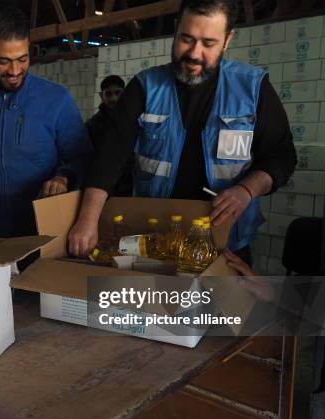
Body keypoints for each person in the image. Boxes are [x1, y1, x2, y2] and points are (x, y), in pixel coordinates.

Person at [68, 0, 297, 264]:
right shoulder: (145, 87)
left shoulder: (253, 89)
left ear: (227, 40)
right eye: (186, 39)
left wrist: (246, 190)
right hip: (155, 240)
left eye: (208, 44)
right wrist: (87, 220)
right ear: (176, 29)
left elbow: (281, 155)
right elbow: (110, 157)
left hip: (227, 244)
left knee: (224, 306)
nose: (194, 54)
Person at [0, 7, 93, 238]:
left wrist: (64, 177)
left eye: (23, 59)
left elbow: (82, 155)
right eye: (3, 61)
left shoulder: (56, 98)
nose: (14, 71)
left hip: (46, 228)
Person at [86, 75, 132, 197]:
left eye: (118, 92)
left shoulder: (135, 120)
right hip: (104, 187)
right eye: (108, 94)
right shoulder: (92, 125)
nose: (113, 98)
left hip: (132, 184)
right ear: (101, 96)